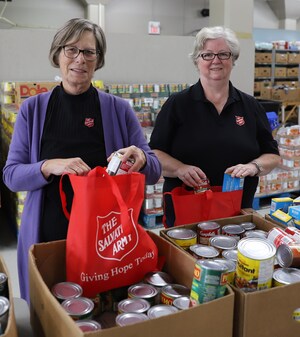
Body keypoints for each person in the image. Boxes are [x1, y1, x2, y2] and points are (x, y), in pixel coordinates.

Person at [2, 18, 161, 303]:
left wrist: (141, 159)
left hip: (106, 240)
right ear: (57, 54)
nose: (80, 59)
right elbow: (11, 176)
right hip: (49, 235)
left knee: (101, 309)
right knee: (50, 311)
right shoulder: (32, 110)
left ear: (98, 59)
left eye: (89, 52)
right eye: (71, 50)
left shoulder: (118, 109)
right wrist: (49, 165)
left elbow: (153, 170)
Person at [149, 26, 280, 228]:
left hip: (237, 208)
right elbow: (154, 153)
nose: (215, 60)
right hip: (186, 205)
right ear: (197, 60)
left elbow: (272, 155)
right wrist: (180, 169)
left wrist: (253, 167)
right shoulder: (177, 104)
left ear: (233, 59)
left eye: (223, 54)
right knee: (184, 256)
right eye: (207, 54)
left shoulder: (250, 106)